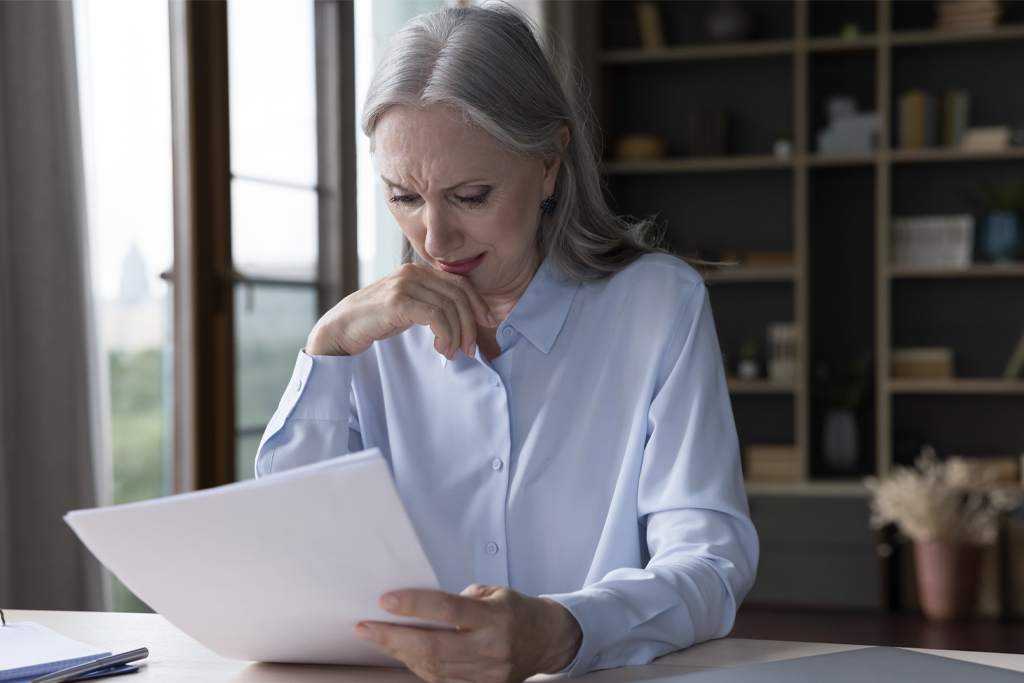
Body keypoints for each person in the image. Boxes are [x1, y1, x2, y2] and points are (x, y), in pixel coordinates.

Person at [255, 5, 758, 683]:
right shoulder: (365, 340)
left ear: (549, 164)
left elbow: (711, 561)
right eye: (403, 196)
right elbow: (292, 563)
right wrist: (325, 350)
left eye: (470, 195)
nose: (434, 238)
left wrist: (568, 628)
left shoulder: (657, 306)